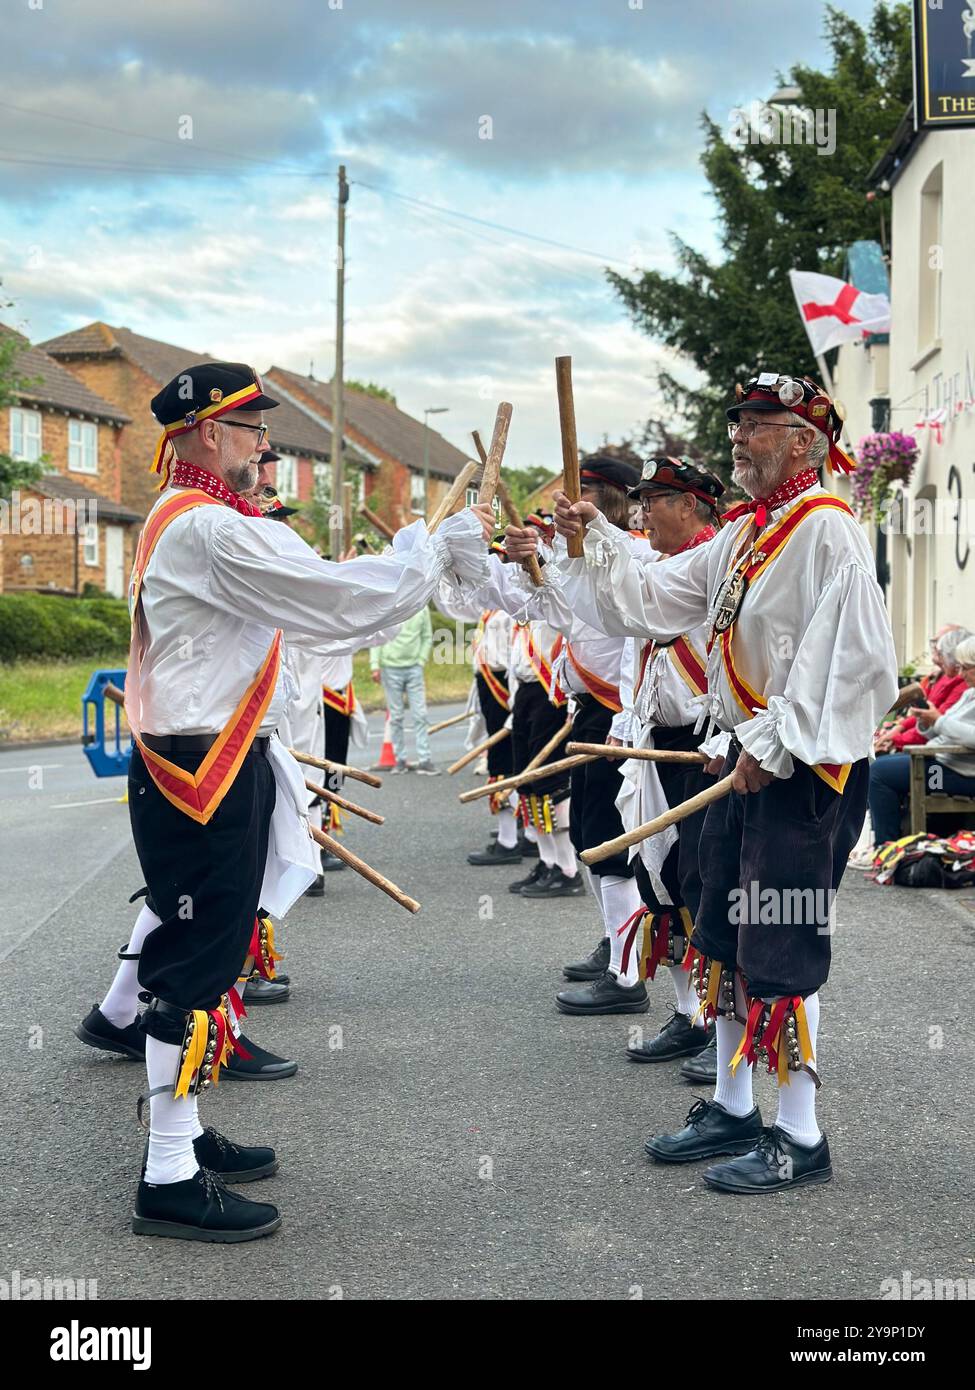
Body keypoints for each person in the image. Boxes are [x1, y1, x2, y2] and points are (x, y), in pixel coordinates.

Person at [124, 360, 491, 1241]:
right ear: (211, 433)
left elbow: (320, 592)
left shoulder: (206, 519)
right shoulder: (208, 528)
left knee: (207, 951)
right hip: (197, 767)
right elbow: (335, 603)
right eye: (256, 432)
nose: (266, 449)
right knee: (195, 959)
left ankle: (181, 1138)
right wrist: (425, 552)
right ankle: (166, 1177)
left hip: (208, 755)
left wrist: (410, 556)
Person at [553, 372, 897, 1193]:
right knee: (723, 934)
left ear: (807, 442)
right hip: (746, 763)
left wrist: (771, 739)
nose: (739, 437)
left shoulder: (828, 532)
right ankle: (733, 1104)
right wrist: (593, 535)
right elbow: (646, 599)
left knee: (780, 942)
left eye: (759, 425)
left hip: (805, 771)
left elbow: (853, 664)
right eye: (737, 423)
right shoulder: (746, 534)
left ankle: (800, 1134)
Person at [867, 633, 975, 846]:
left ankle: (886, 847)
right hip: (945, 764)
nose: (960, 674)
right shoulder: (969, 694)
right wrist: (927, 721)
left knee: (878, 774)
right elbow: (940, 729)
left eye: (965, 667)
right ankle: (888, 844)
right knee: (878, 766)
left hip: (960, 775)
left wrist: (938, 721)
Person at [369, 607, 437, 774]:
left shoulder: (422, 607)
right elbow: (377, 636)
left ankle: (425, 759)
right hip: (390, 668)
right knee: (396, 716)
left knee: (420, 714)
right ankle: (400, 759)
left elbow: (427, 636)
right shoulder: (389, 605)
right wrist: (375, 665)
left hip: (414, 667)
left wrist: (421, 660)